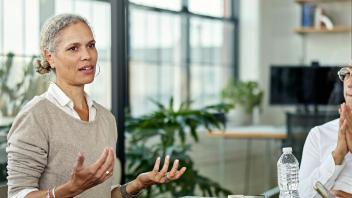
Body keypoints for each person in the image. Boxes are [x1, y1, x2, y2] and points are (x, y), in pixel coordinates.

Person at [6, 14, 186, 198]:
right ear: (49, 57)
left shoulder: (106, 119)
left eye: (91, 45)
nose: (87, 55)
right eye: (73, 48)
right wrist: (71, 188)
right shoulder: (35, 115)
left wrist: (137, 184)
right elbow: (18, 195)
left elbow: (100, 194)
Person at [299, 65, 352, 198]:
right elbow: (302, 195)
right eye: (347, 74)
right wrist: (337, 156)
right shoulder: (319, 134)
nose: (349, 83)